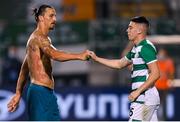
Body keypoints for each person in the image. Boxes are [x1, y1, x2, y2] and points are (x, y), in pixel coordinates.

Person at [7, 4, 90, 121]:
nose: (54, 19)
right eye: (51, 16)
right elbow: (54, 54)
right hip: (40, 94)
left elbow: (24, 69)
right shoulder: (38, 38)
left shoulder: (36, 40)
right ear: (41, 18)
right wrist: (79, 56)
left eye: (55, 16)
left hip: (45, 93)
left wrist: (18, 93)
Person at [89, 16, 160, 121]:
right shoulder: (136, 49)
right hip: (147, 97)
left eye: (130, 27)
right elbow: (119, 64)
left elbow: (156, 74)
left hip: (143, 97)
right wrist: (96, 58)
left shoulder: (145, 48)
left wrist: (137, 92)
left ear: (139, 30)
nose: (127, 30)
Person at [155, 48, 175, 121]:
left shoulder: (169, 62)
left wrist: (171, 83)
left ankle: (164, 119)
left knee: (164, 104)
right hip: (156, 87)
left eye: (163, 53)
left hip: (164, 86)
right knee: (155, 103)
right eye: (160, 53)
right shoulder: (155, 61)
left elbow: (172, 74)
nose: (161, 55)